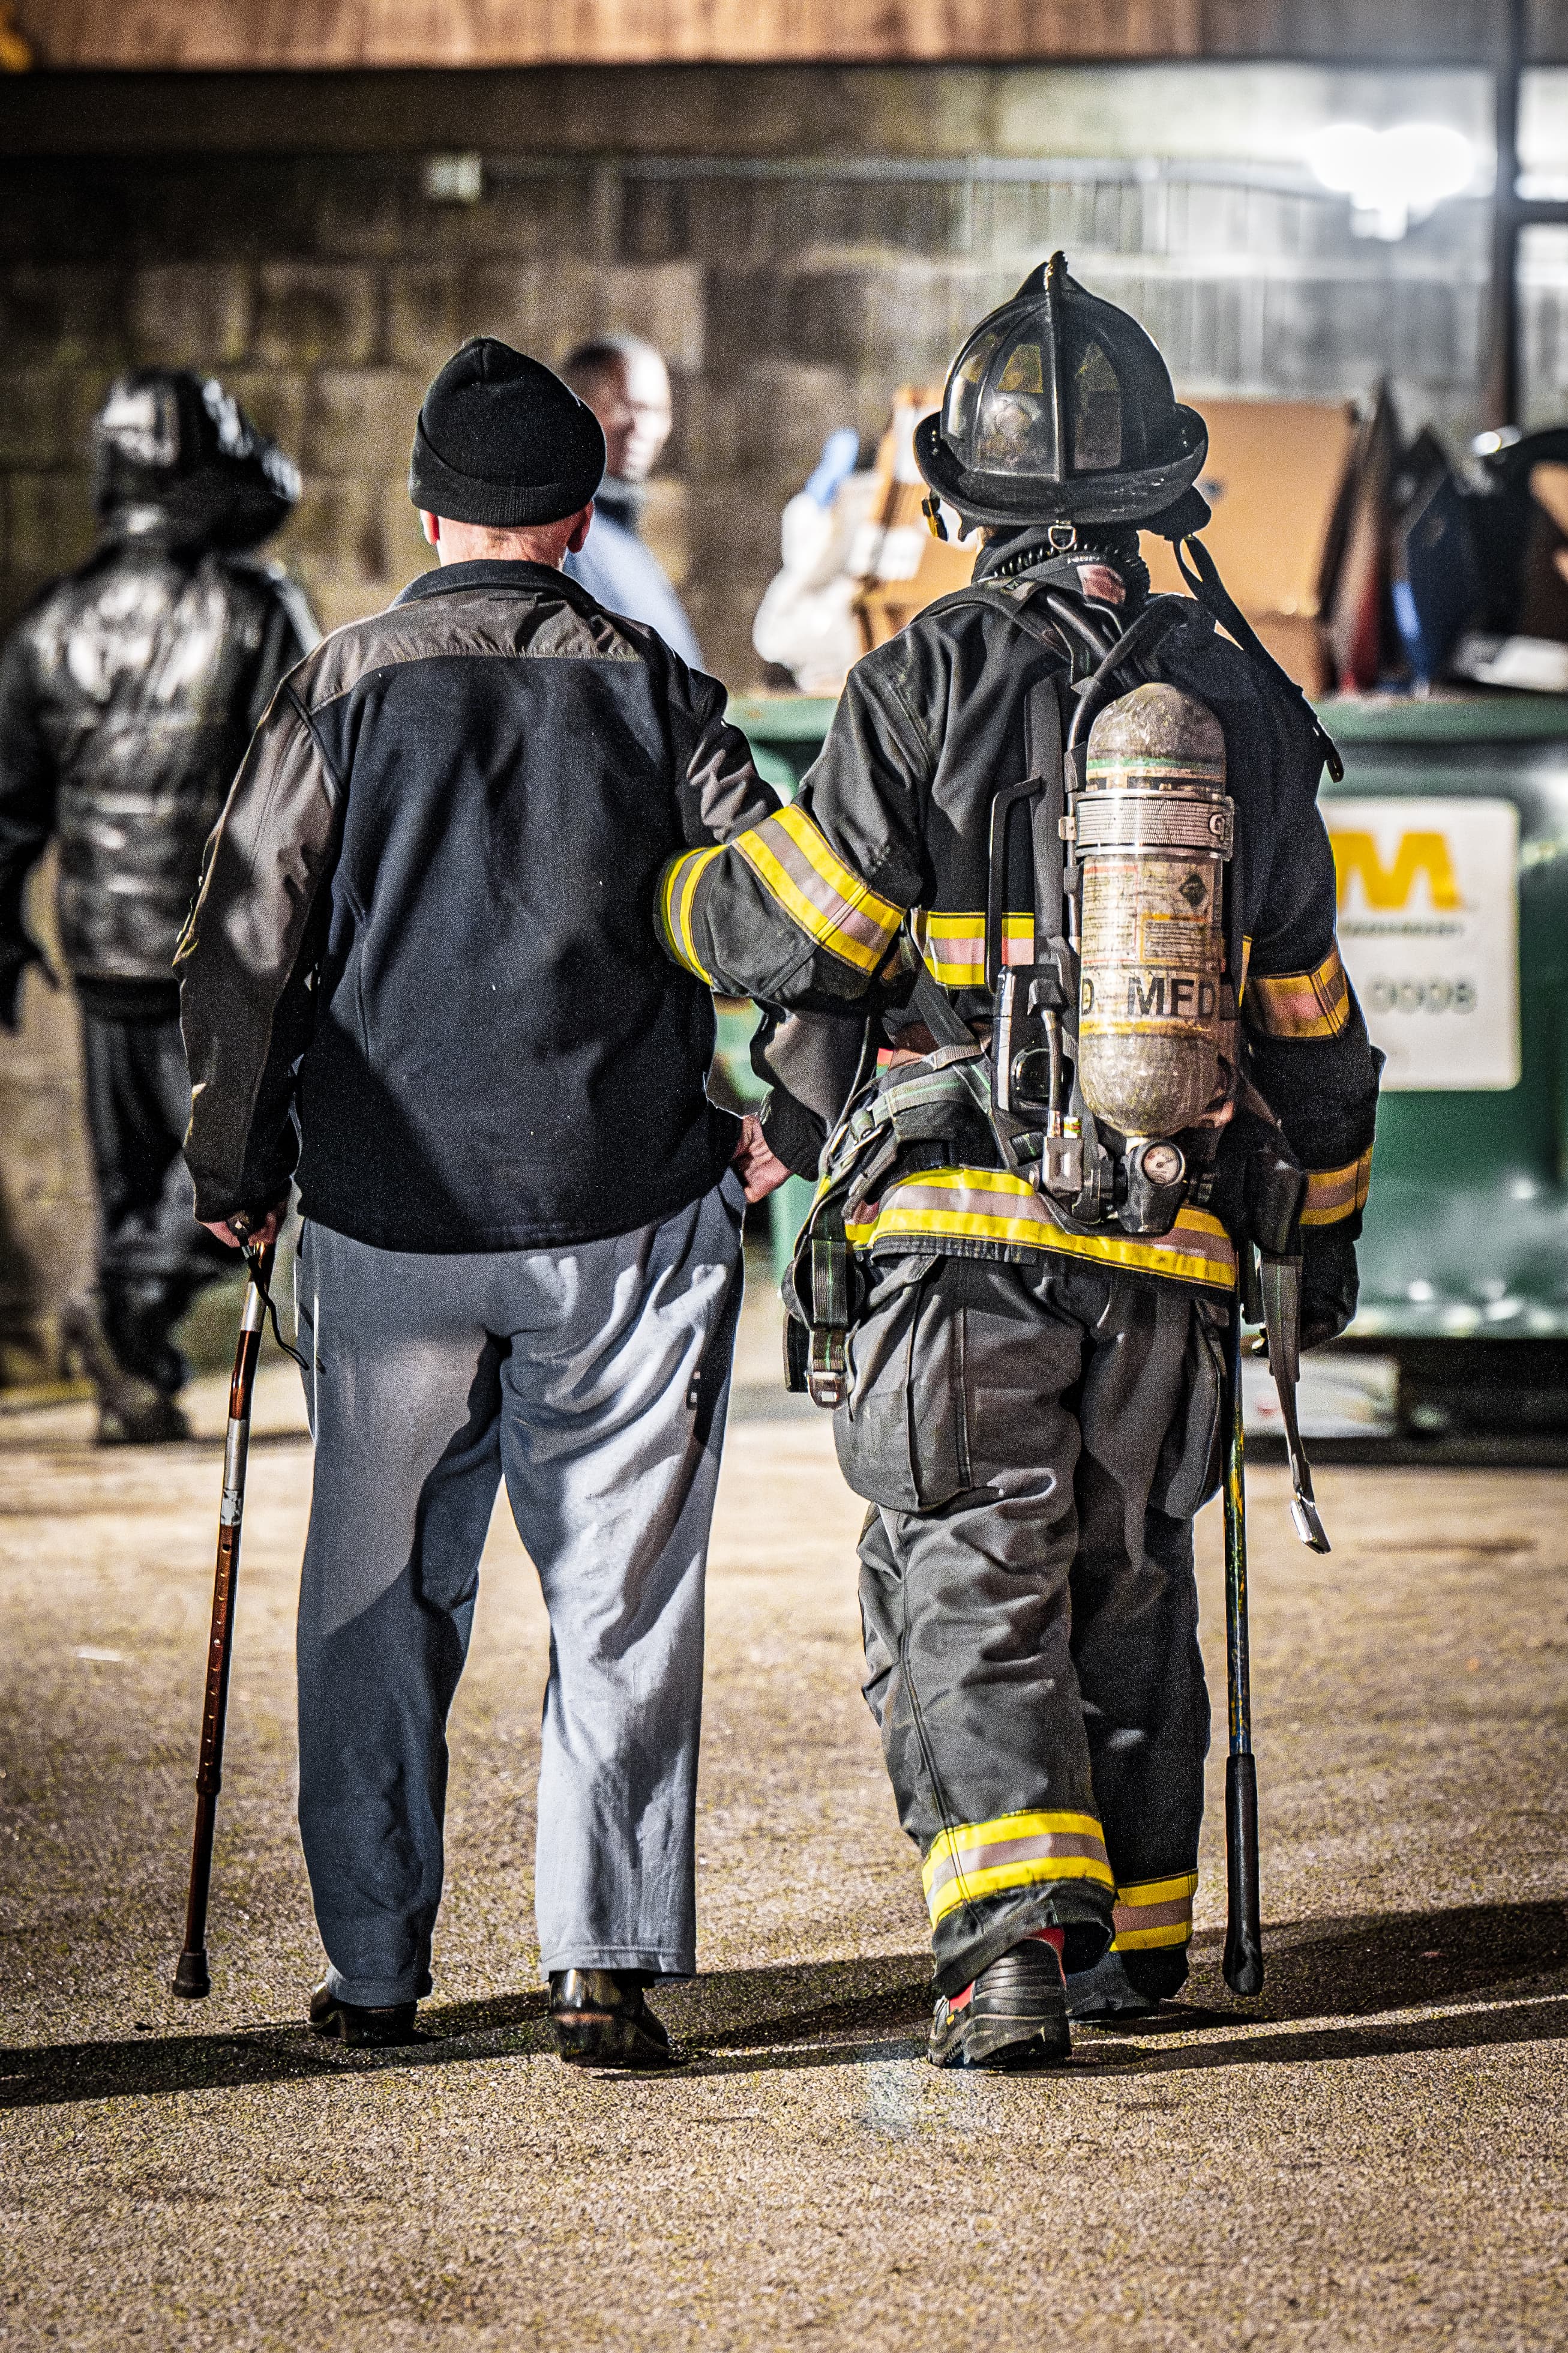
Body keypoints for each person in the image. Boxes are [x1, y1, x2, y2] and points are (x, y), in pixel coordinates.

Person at [652, 256, 1381, 2069]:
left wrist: (677, 888)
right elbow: (1310, 1013)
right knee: (1131, 1574)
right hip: (1177, 1237)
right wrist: (1327, 1240)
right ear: (1161, 493)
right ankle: (1133, 1941)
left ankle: (1007, 1950)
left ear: (968, 499)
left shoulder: (927, 677)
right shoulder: (1242, 700)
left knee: (969, 1569)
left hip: (963, 1245)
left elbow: (793, 932)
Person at [175, 337, 789, 2064]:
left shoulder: (337, 685)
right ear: (582, 515)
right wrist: (789, 1117)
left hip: (386, 1225)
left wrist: (237, 1170)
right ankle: (600, 1957)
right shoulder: (661, 692)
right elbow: (787, 925)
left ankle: (376, 1973)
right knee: (619, 1594)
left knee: (374, 1602)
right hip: (622, 1214)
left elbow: (240, 949)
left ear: (429, 509)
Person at [0, 369, 316, 1443]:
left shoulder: (52, 625)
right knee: (232, 1176)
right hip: (217, 956)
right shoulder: (255, 609)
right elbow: (305, 789)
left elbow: (8, 804)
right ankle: (123, 1312)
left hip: (98, 954)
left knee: (133, 1175)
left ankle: (130, 1378)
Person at [560, 335, 703, 666]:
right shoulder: (562, 537)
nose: (643, 427)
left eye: (658, 411)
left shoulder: (625, 541)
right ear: (575, 408)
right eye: (628, 406)